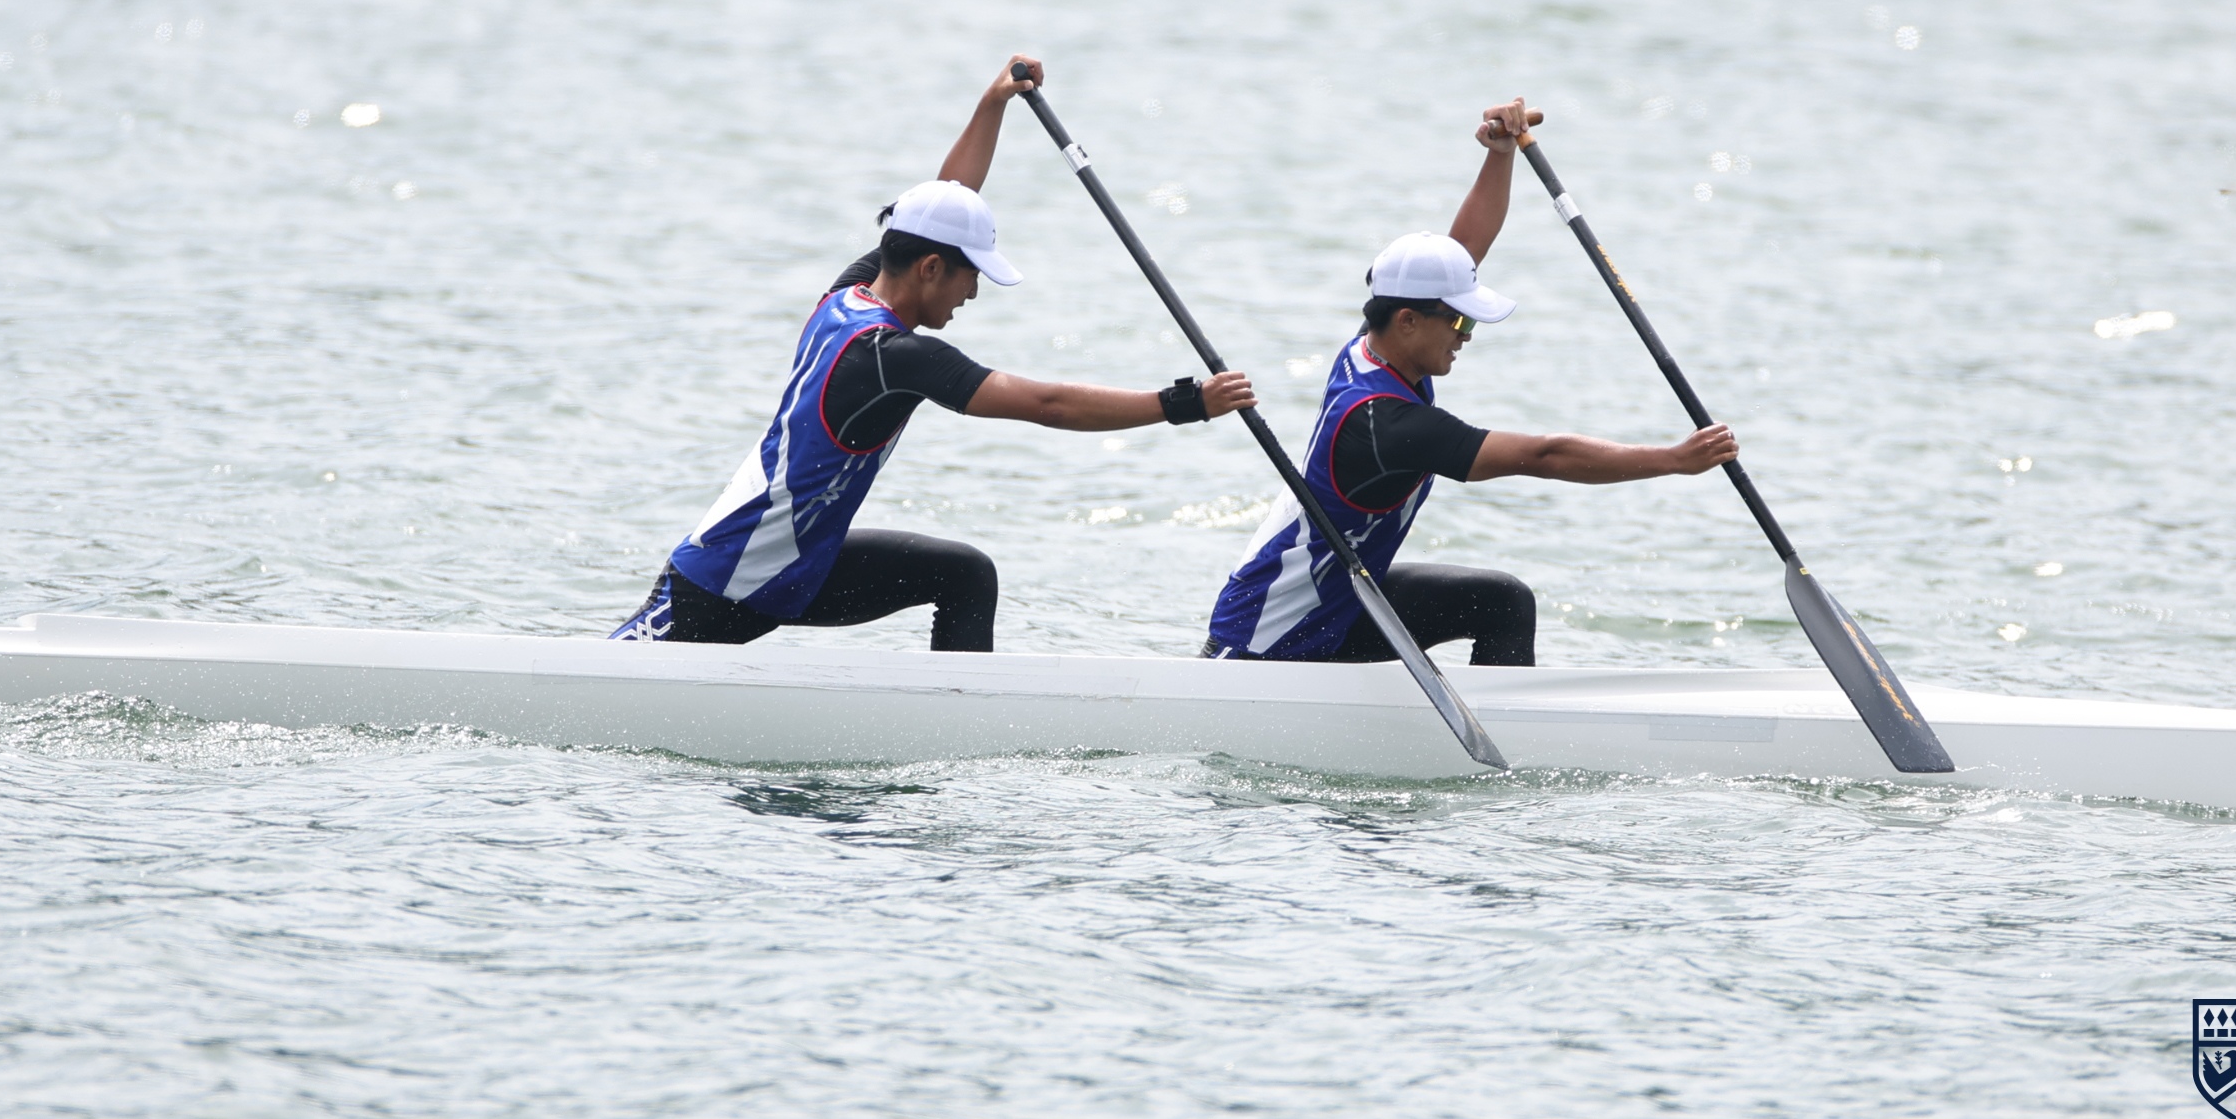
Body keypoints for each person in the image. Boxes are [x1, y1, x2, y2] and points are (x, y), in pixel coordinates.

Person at [615, 56, 1256, 650]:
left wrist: (994, 103)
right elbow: (1048, 405)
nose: (973, 292)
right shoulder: (895, 356)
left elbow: (944, 199)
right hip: (724, 581)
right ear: (929, 269)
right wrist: (1184, 404)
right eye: (970, 275)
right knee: (607, 690)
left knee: (964, 575)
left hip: (800, 568)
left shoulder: (849, 294)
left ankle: (960, 716)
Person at [1202, 99, 1737, 667]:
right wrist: (1673, 460)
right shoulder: (1388, 424)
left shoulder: (1371, 348)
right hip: (1265, 646)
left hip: (1337, 606)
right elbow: (1545, 456)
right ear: (1408, 320)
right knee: (1501, 601)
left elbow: (1463, 252)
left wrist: (1500, 155)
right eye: (1459, 321)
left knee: (1501, 603)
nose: (1467, 336)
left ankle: (1502, 710)